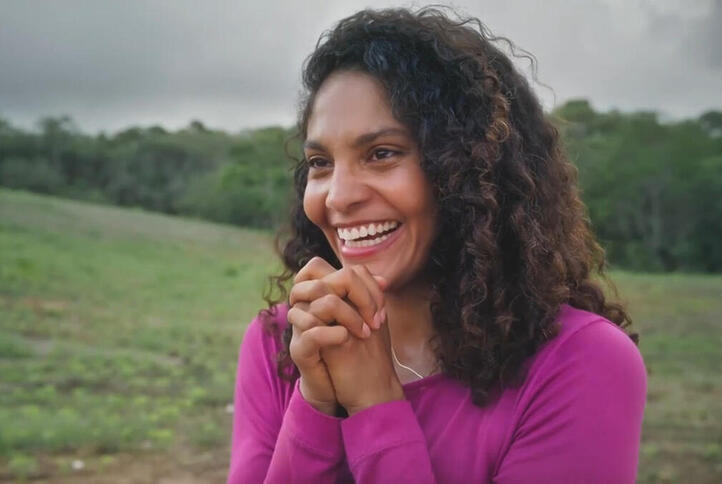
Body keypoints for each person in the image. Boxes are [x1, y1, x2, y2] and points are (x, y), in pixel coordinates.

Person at [228, 6, 647, 483]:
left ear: (470, 169)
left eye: (382, 154)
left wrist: (375, 405)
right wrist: (315, 405)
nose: (339, 196)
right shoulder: (281, 343)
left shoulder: (579, 364)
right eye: (321, 162)